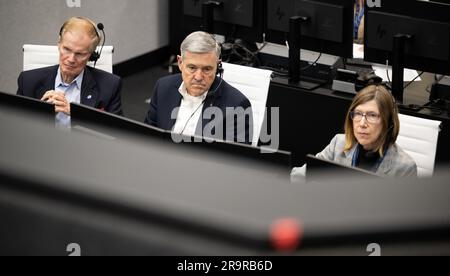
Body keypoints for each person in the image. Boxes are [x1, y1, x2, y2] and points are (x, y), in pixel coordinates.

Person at [144, 31, 252, 144]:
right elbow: (148, 136)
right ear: (180, 63)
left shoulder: (237, 104)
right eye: (192, 67)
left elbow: (235, 158)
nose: (199, 77)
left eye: (207, 69)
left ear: (218, 66)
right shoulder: (163, 87)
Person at [291, 85, 417, 181]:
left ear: (388, 122)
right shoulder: (338, 144)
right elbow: (299, 177)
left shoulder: (405, 168)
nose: (362, 123)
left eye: (372, 115)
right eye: (358, 114)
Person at [17, 17, 123, 127]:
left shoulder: (110, 85)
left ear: (91, 55)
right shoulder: (28, 81)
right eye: (66, 49)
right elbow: (15, 127)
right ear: (59, 44)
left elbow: (118, 132)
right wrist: (41, 113)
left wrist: (76, 114)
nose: (71, 59)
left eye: (80, 54)